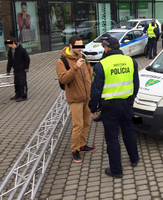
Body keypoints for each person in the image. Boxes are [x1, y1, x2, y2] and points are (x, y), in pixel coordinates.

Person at [89, 37, 140, 178]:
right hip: (127, 105)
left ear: (107, 48)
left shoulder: (101, 65)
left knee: (112, 138)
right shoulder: (131, 61)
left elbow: (96, 91)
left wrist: (92, 108)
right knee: (129, 132)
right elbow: (136, 85)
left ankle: (116, 170)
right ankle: (134, 159)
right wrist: (131, 99)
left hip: (110, 108)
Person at [56, 35, 96, 163]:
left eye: (81, 45)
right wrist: (75, 67)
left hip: (87, 98)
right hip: (75, 99)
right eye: (78, 46)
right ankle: (75, 150)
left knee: (86, 124)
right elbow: (63, 79)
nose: (80, 48)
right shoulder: (62, 61)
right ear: (71, 46)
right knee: (77, 126)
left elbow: (90, 73)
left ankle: (82, 145)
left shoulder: (83, 57)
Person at [92, 33, 124, 123]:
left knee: (111, 130)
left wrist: (93, 107)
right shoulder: (108, 49)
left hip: (112, 96)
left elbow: (96, 89)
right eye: (102, 40)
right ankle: (102, 115)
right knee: (127, 129)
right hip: (122, 101)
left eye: (104, 41)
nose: (103, 42)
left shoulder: (114, 52)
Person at [6, 37, 30, 102]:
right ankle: (17, 94)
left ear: (13, 42)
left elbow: (27, 59)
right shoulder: (10, 51)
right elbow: (10, 60)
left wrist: (26, 67)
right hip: (15, 68)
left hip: (21, 69)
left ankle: (23, 96)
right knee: (16, 82)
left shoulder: (21, 50)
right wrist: (8, 70)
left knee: (22, 82)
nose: (7, 44)